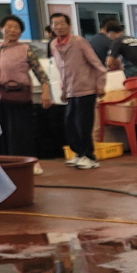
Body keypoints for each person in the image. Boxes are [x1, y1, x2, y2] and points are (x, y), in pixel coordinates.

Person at [47, 12, 107, 171]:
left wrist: (100, 85)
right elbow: (62, 70)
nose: (59, 27)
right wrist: (63, 90)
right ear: (51, 27)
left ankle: (90, 157)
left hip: (86, 90)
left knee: (83, 125)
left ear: (69, 25)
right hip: (70, 91)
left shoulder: (79, 42)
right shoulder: (53, 45)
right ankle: (79, 154)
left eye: (62, 23)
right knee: (70, 124)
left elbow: (98, 65)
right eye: (55, 24)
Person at [0, 15, 52, 159]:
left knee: (20, 133)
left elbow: (40, 73)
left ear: (21, 33)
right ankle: (6, 164)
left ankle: (26, 163)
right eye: (9, 27)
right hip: (1, 98)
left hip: (20, 97)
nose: (12, 30)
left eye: (16, 28)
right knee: (2, 133)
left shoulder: (25, 49)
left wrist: (45, 93)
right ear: (2, 29)